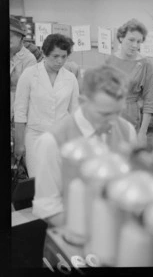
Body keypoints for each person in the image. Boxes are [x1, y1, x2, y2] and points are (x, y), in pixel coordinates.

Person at [32, 65, 137, 227]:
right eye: (105, 114)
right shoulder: (52, 141)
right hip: (71, 239)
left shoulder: (127, 131)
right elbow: (48, 206)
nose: (113, 121)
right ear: (82, 102)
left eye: (119, 112)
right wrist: (94, 232)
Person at [14, 33, 79, 177]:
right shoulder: (29, 74)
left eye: (64, 56)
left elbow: (75, 113)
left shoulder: (70, 78)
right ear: (44, 53)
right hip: (35, 136)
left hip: (62, 138)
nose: (60, 61)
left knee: (58, 181)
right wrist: (19, 143)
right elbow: (20, 111)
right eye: (55, 56)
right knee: (37, 182)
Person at [105, 19, 153, 144]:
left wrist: (142, 132)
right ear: (121, 38)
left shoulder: (146, 65)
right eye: (131, 40)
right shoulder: (109, 61)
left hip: (130, 115)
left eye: (139, 41)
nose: (135, 45)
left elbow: (149, 102)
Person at [10, 16, 37, 119]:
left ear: (21, 37)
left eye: (10, 36)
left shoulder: (29, 59)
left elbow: (27, 92)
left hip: (17, 111)